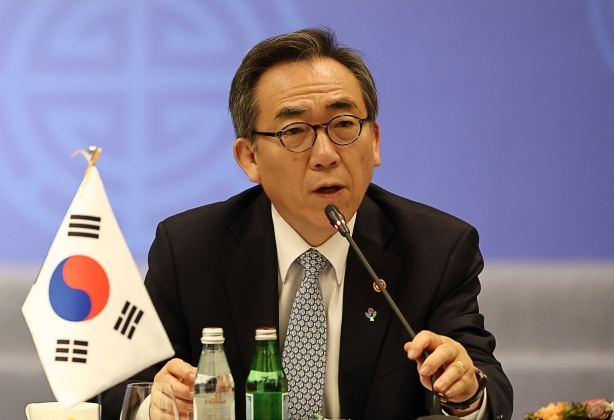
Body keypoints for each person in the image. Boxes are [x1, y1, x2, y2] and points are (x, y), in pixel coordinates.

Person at [101, 27, 513, 420]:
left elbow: (486, 388)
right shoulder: (190, 248)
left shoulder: (436, 249)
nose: (325, 153)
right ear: (250, 158)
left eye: (344, 125)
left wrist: (466, 393)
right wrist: (154, 403)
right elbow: (118, 387)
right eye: (295, 131)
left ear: (374, 141)